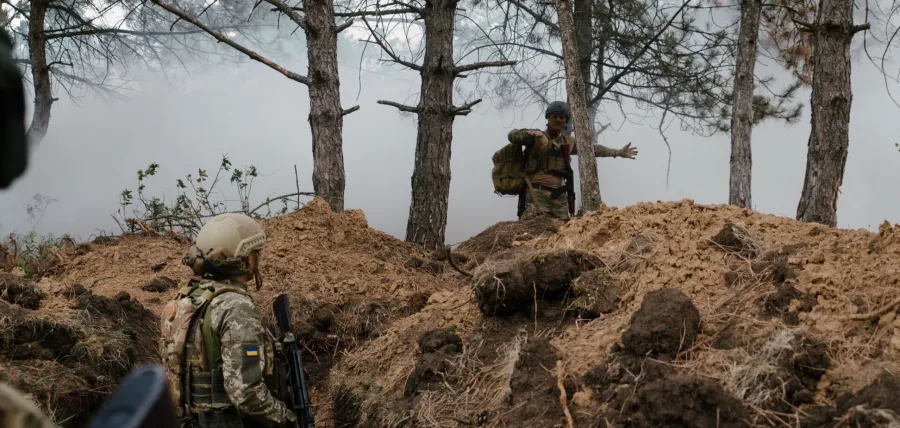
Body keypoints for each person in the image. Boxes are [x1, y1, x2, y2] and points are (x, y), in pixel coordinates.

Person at [160, 212, 297, 427]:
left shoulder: (185, 301)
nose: (257, 258)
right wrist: (287, 418)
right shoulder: (235, 308)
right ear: (246, 258)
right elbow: (246, 394)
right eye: (255, 252)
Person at [506, 100, 638, 220]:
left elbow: (593, 150)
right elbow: (512, 136)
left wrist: (618, 152)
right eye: (555, 116)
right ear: (548, 118)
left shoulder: (568, 142)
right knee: (536, 227)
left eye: (562, 117)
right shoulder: (536, 137)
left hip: (559, 195)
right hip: (536, 192)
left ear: (566, 121)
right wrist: (530, 133)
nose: (558, 120)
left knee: (562, 231)